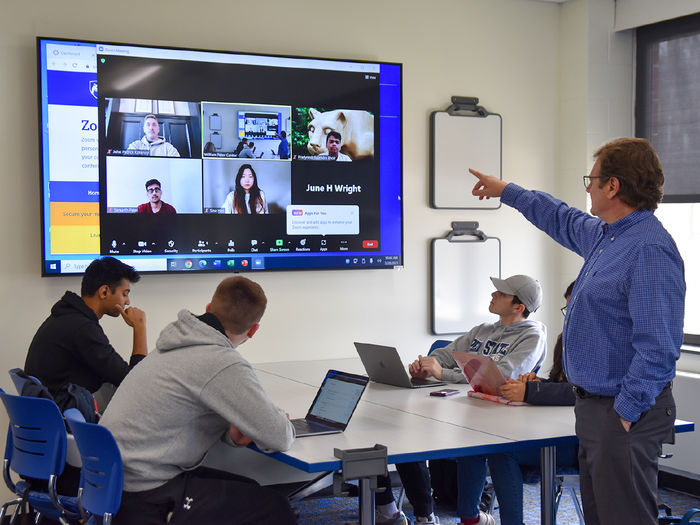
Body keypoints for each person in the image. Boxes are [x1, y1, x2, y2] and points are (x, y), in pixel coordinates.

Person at [470, 137, 685, 525]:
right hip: (593, 407)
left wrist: (625, 411)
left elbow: (659, 347)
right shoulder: (607, 237)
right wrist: (508, 192)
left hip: (622, 412)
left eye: (592, 179)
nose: (588, 187)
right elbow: (560, 216)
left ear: (613, 186)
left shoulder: (648, 249)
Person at [100, 276, 296, 525]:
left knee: (248, 487)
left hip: (113, 482)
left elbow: (186, 413)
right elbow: (280, 436)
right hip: (145, 493)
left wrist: (231, 435)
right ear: (254, 329)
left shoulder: (169, 345)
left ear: (208, 308)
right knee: (274, 506)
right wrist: (278, 422)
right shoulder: (221, 362)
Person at [375, 274, 547, 525]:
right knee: (401, 431)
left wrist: (442, 373)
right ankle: (468, 517)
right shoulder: (482, 330)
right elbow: (444, 355)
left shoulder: (532, 336)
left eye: (501, 293)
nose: (493, 295)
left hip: (503, 421)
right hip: (468, 409)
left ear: (518, 307)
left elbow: (501, 377)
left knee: (475, 448)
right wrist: (426, 365)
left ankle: (467, 516)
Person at [457, 281, 577, 525]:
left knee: (501, 450)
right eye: (568, 308)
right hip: (554, 427)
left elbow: (580, 392)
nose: (572, 314)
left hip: (577, 440)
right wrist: (536, 382)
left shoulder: (602, 344)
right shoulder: (566, 338)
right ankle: (469, 518)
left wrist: (532, 390)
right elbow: (560, 382)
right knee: (475, 443)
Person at [24, 257, 147, 400]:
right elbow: (134, 383)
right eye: (124, 294)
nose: (127, 302)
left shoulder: (65, 315)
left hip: (46, 413)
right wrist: (140, 327)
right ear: (104, 292)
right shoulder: (83, 328)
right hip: (64, 416)